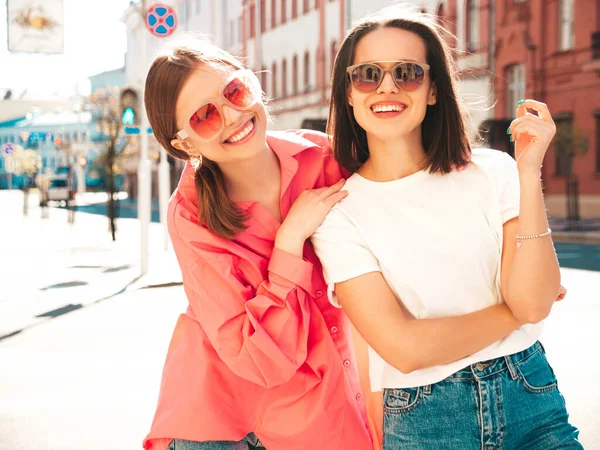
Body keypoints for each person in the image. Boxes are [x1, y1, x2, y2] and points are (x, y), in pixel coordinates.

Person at [311, 6, 582, 450]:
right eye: (367, 75)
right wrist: (515, 312)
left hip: (531, 399)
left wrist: (528, 170)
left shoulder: (494, 171)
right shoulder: (339, 213)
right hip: (426, 421)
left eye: (407, 72)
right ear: (348, 93)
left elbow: (534, 301)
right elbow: (405, 349)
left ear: (433, 89)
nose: (387, 87)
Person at [141, 38, 375, 450]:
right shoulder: (190, 215)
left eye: (235, 90)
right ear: (184, 144)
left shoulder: (323, 157)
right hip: (216, 425)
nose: (233, 116)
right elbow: (257, 357)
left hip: (317, 414)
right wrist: (289, 243)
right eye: (205, 117)